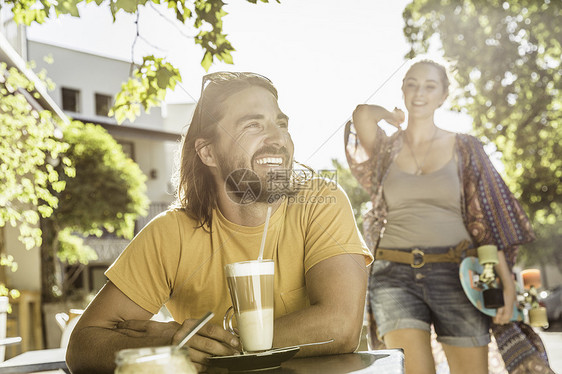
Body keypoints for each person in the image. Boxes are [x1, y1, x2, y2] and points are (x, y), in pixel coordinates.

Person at [66, 72, 373, 373]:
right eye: (253, 124)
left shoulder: (319, 202)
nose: (279, 138)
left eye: (281, 124)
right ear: (208, 152)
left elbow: (341, 325)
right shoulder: (170, 234)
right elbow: (82, 346)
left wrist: (214, 346)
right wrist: (169, 340)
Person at [344, 59, 552, 374]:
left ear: (443, 96)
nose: (419, 92)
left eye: (430, 86)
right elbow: (362, 113)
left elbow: (490, 221)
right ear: (402, 90)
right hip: (394, 274)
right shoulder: (386, 149)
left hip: (460, 275)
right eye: (411, 84)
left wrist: (507, 284)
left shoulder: (465, 147)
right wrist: (392, 117)